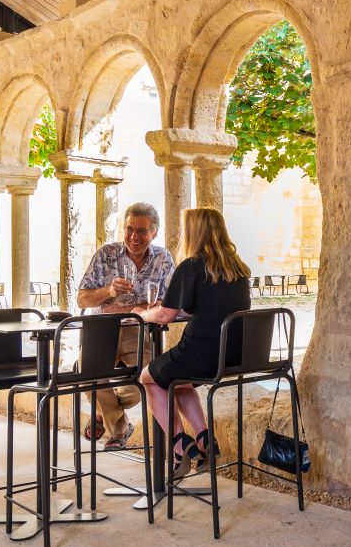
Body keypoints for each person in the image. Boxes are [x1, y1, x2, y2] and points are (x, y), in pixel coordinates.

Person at [139, 207, 251, 478]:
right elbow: (208, 305)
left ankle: (181, 446)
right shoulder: (237, 267)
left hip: (203, 350)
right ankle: (205, 442)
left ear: (194, 233)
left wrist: (143, 314)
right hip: (234, 353)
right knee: (178, 381)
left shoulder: (191, 265)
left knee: (148, 377)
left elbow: (165, 315)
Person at [77, 202, 174, 450]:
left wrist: (129, 309)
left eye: (142, 231)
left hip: (139, 330)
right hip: (102, 328)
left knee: (146, 378)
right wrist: (108, 291)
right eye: (129, 229)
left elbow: (169, 301)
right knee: (84, 372)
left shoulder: (162, 258)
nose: (134, 236)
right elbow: (82, 299)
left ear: (154, 232)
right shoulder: (106, 254)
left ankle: (102, 413)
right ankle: (119, 427)